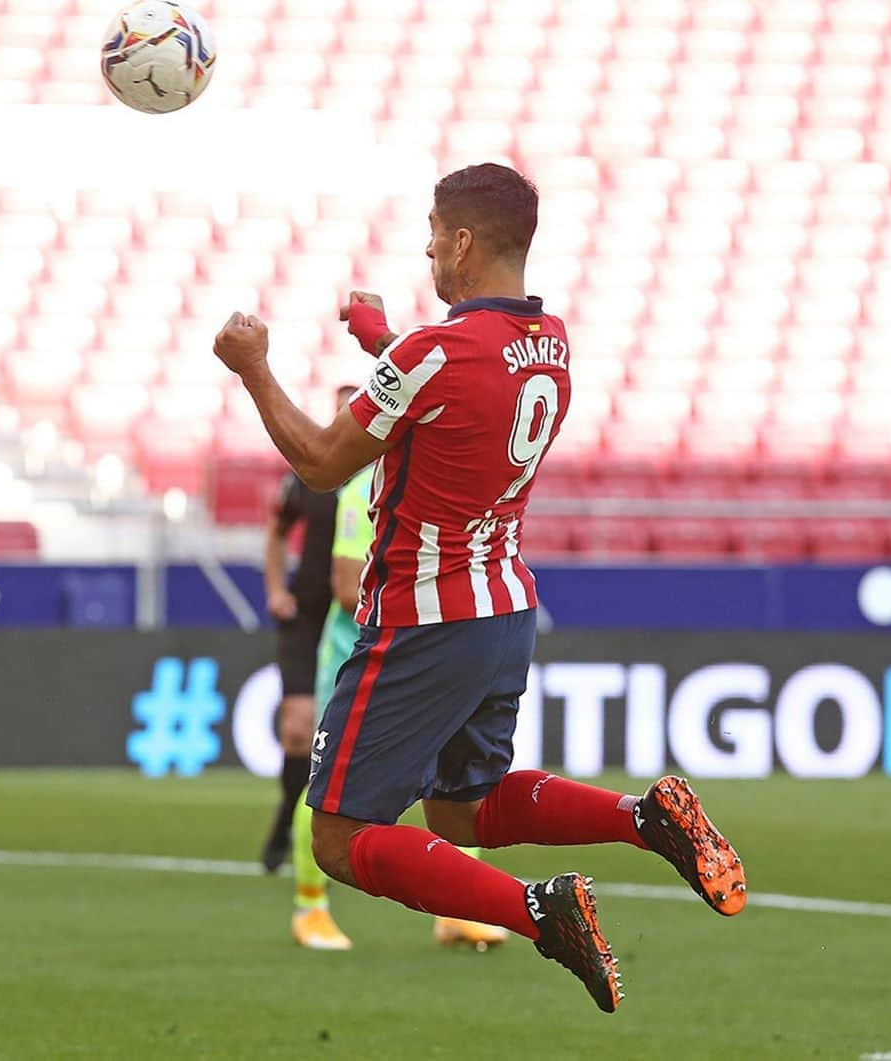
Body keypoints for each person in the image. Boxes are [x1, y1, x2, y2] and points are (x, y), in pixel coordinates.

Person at [214, 163, 746, 1012]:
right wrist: (385, 341)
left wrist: (252, 367)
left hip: (422, 619)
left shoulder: (434, 353)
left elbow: (320, 461)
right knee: (462, 811)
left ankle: (541, 910)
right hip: (503, 607)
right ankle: (642, 817)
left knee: (341, 839)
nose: (426, 246)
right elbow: (461, 390)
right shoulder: (551, 344)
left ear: (462, 241)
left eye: (433, 230)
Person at [290, 462, 507, 952]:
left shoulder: (445, 476)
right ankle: (311, 909)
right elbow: (347, 590)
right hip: (362, 657)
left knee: (459, 776)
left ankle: (458, 910)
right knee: (329, 785)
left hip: (428, 653)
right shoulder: (365, 488)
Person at [259, 386, 355, 872]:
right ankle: (286, 821)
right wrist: (276, 588)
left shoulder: (381, 473)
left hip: (354, 616)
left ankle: (314, 833)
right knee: (297, 730)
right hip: (306, 613)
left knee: (333, 733)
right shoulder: (309, 473)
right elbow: (276, 532)